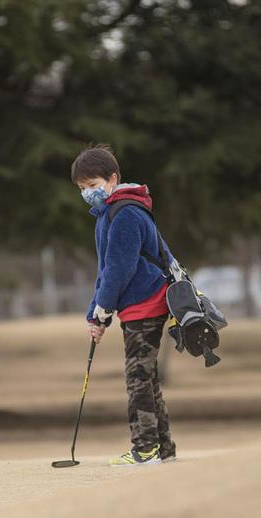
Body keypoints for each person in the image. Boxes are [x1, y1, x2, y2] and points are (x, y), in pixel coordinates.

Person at [71, 144, 176, 466]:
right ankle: (163, 448)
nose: (88, 193)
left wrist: (104, 311)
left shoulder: (125, 213)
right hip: (136, 303)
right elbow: (105, 272)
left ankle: (145, 450)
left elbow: (120, 269)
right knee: (146, 376)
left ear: (112, 178)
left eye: (93, 185)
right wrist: (96, 314)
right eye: (82, 189)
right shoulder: (109, 214)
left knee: (137, 378)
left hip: (146, 301)